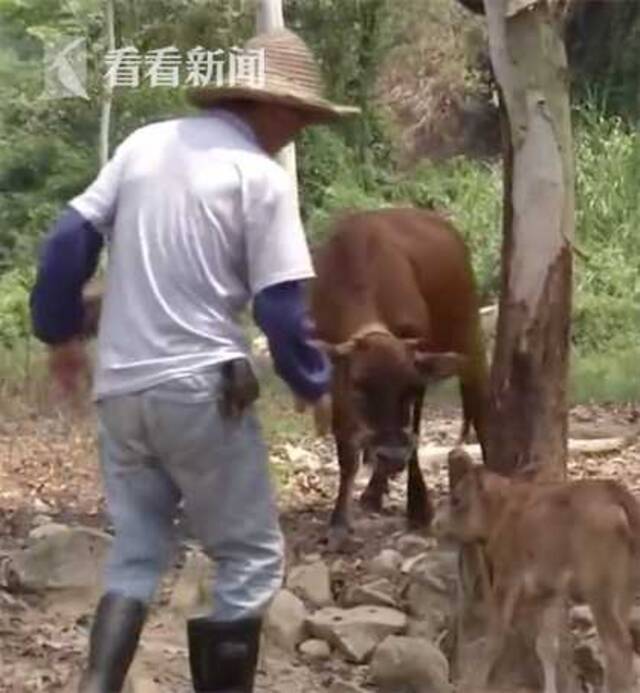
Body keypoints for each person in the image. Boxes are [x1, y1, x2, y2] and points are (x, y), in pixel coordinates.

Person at [29, 28, 359, 693]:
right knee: (248, 557)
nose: (296, 131)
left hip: (121, 393)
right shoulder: (259, 178)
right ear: (268, 105)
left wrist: (60, 332)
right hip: (202, 389)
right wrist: (314, 382)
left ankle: (97, 686)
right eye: (297, 116)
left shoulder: (144, 146)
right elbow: (279, 310)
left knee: (137, 552)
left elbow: (67, 240)